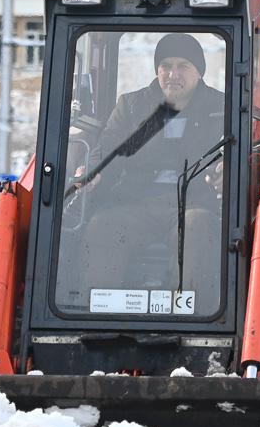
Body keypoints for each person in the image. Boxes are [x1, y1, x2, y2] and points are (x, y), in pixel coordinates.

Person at [74, 34, 227, 302]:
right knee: (103, 224)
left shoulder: (222, 108)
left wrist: (228, 170)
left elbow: (235, 154)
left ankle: (188, 311)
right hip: (137, 202)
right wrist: (92, 173)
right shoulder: (131, 106)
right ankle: (99, 310)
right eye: (166, 65)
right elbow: (107, 151)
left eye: (183, 66)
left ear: (199, 72)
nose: (172, 74)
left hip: (194, 203)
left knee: (196, 227)